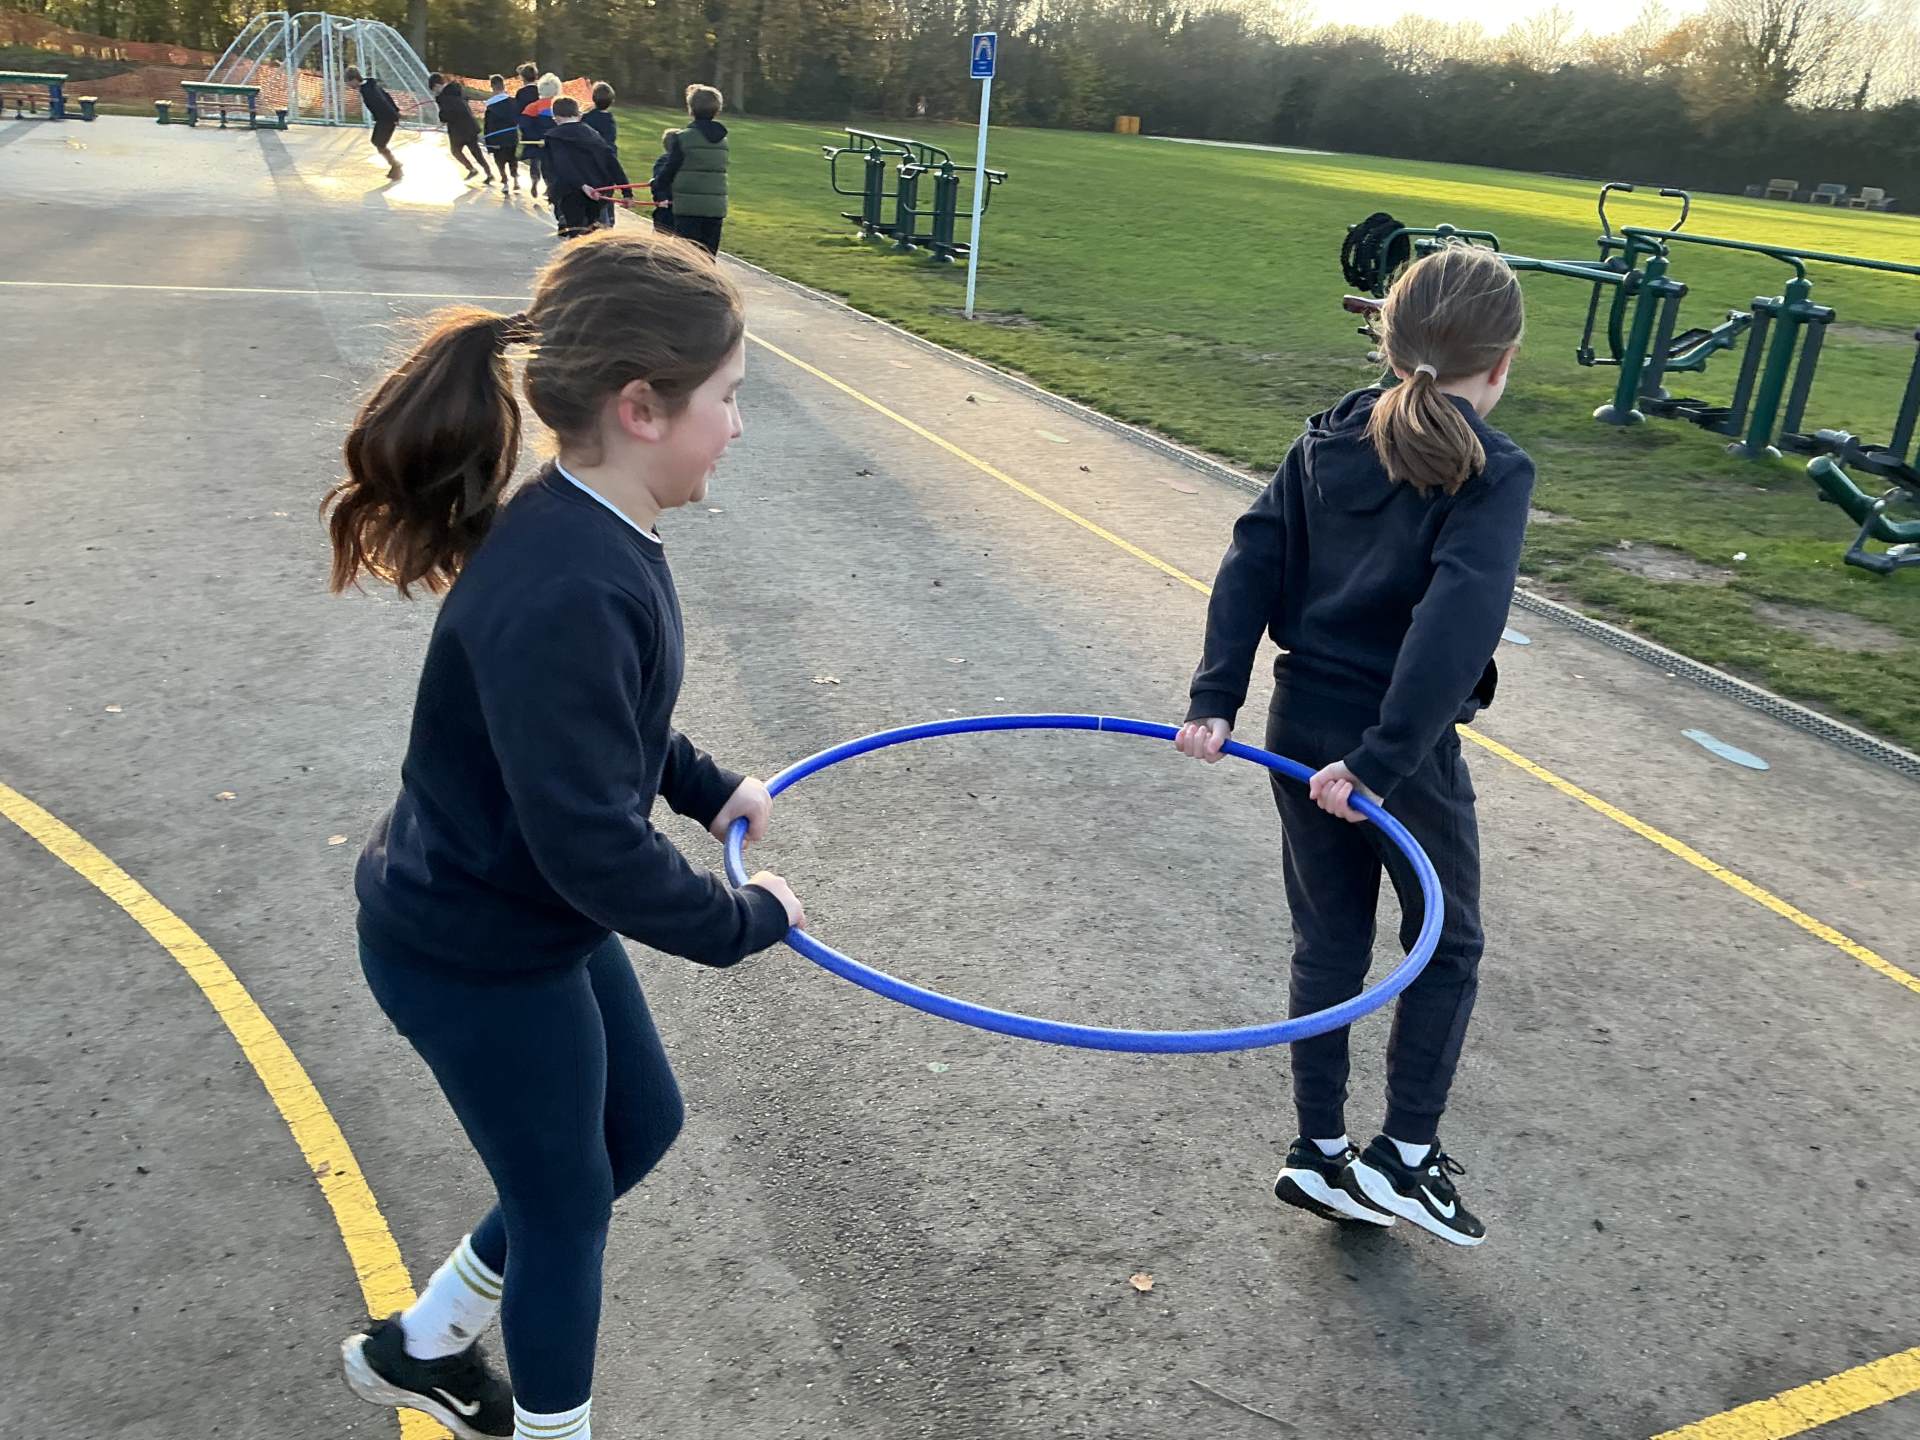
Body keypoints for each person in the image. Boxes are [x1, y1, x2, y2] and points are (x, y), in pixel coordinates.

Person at [327, 231, 804, 1440]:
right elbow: (588, 843)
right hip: (470, 949)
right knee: (563, 1210)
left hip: (525, 920)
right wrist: (743, 920)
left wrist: (703, 785)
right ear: (641, 409)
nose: (738, 426)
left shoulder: (596, 532)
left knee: (636, 1129)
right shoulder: (568, 580)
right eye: (727, 398)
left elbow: (607, 726)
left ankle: (420, 1346)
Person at [1174, 242, 1531, 1249]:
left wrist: (1218, 695)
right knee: (1446, 942)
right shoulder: (1491, 470)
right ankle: (1403, 1159)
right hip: (1393, 752)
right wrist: (1381, 760)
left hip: (1300, 726)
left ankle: (1319, 1149)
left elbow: (1251, 558)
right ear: (1501, 364)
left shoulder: (1330, 435)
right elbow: (1454, 627)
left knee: (1331, 938)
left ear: (1387, 338)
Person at [654, 84, 728, 254]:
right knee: (707, 258)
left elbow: (671, 168)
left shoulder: (683, 138)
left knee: (687, 256)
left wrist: (658, 185)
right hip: (715, 207)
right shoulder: (722, 140)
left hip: (688, 207)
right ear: (717, 110)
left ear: (690, 109)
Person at [542, 96, 629, 239]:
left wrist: (581, 185)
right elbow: (611, 161)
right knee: (592, 228)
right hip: (598, 190)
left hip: (571, 191)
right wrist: (626, 191)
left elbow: (563, 165)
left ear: (555, 117)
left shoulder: (555, 138)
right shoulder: (593, 134)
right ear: (578, 114)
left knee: (576, 232)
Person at [430, 72, 493, 183]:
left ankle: (472, 169)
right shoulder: (456, 90)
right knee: (476, 153)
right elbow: (460, 107)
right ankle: (489, 174)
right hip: (469, 126)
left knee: (455, 151)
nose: (434, 92)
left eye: (434, 89)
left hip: (458, 130)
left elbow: (448, 112)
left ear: (437, 85)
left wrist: (442, 119)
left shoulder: (445, 97)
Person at [343, 65, 402, 180]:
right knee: (377, 142)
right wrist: (396, 110)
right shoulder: (369, 85)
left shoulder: (368, 90)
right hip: (384, 118)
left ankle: (396, 166)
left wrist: (394, 116)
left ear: (354, 79)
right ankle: (395, 165)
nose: (348, 85)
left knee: (379, 143)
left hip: (386, 119)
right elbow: (386, 96)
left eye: (348, 82)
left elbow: (383, 102)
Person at [482, 74, 521, 191]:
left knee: (500, 160)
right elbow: (517, 119)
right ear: (503, 86)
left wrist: (488, 141)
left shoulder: (490, 107)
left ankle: (505, 182)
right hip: (512, 136)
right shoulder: (513, 102)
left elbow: (488, 125)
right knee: (512, 158)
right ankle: (516, 180)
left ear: (492, 87)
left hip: (497, 138)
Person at [511, 63, 543, 198]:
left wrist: (517, 123)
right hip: (541, 125)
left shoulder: (521, 93)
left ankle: (534, 176)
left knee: (533, 154)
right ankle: (545, 180)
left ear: (522, 77)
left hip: (527, 126)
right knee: (543, 154)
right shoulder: (541, 91)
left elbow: (517, 111)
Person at [649, 127, 680, 235]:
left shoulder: (664, 160)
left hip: (672, 204)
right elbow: (659, 181)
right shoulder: (665, 160)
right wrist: (661, 198)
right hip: (667, 205)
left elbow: (657, 182)